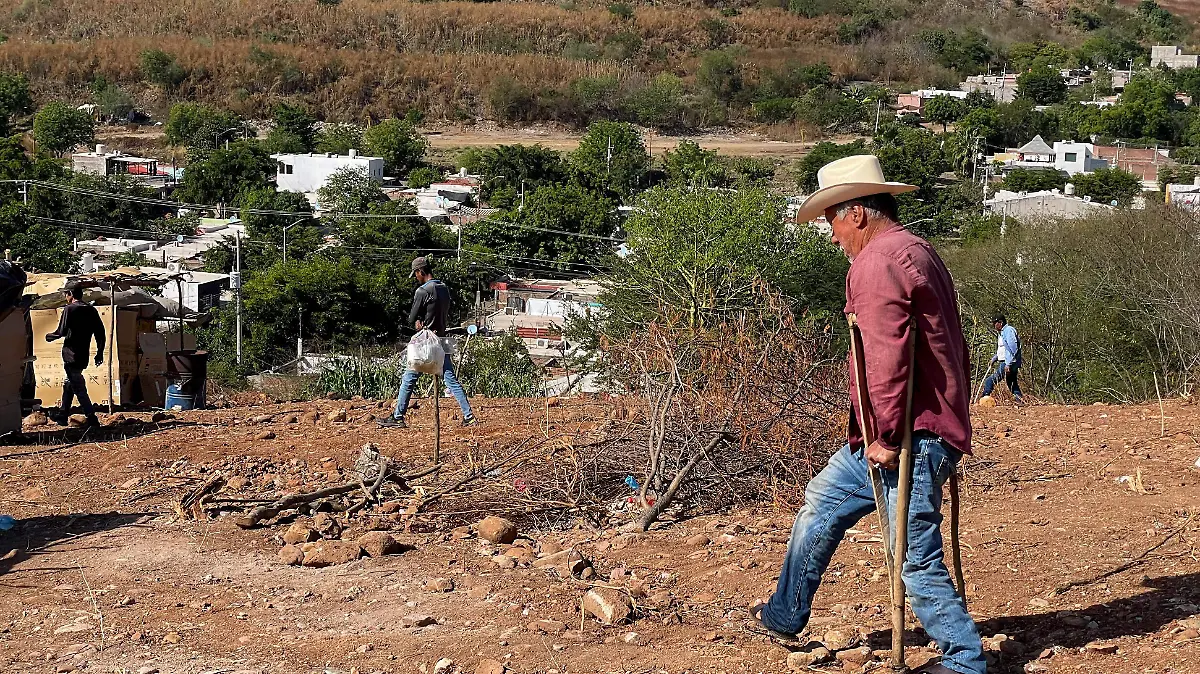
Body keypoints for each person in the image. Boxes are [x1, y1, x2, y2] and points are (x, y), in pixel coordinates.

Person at [751, 155, 984, 674]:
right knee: (822, 502)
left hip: (906, 434)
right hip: (910, 428)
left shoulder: (877, 263)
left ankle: (964, 660)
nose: (832, 235)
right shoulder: (916, 249)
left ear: (856, 213)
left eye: (832, 220)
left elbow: (886, 357)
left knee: (913, 555)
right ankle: (784, 614)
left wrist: (885, 436)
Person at [378, 256, 477, 429]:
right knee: (451, 379)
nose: (416, 278)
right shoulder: (444, 288)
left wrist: (419, 320)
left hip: (427, 342)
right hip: (442, 339)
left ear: (420, 271)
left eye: (416, 274)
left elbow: (411, 318)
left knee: (409, 377)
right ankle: (469, 416)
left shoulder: (423, 291)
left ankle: (398, 417)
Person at [45, 284, 105, 427]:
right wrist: (99, 353)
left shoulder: (70, 309)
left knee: (78, 387)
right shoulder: (91, 310)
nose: (65, 297)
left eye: (66, 294)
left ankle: (91, 417)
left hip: (71, 354)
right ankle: (62, 415)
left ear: (70, 294)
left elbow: (61, 331)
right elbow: (100, 334)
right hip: (83, 356)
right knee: (69, 383)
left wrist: (49, 336)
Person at [980, 314, 1023, 404]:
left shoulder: (1009, 331)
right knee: (1011, 382)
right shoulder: (1002, 333)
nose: (994, 325)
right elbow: (1003, 349)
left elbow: (1013, 348)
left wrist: (1009, 364)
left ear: (1000, 322)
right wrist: (994, 358)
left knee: (990, 380)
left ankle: (985, 398)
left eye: (995, 323)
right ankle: (1019, 399)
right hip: (1008, 361)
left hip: (1008, 362)